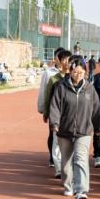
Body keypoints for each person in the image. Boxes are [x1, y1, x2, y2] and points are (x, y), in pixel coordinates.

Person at [49, 56, 100, 199]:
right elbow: (55, 107)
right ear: (70, 72)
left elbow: (96, 109)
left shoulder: (90, 88)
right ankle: (68, 185)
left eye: (81, 72)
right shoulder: (61, 87)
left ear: (85, 72)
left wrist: (98, 127)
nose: (78, 75)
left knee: (80, 158)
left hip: (84, 130)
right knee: (66, 162)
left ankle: (81, 191)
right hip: (64, 130)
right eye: (75, 72)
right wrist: (55, 123)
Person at [37, 47, 66, 176]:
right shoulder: (49, 73)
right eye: (60, 57)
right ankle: (53, 158)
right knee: (53, 134)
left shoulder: (71, 74)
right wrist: (43, 109)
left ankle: (63, 160)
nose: (62, 61)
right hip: (54, 110)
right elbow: (44, 91)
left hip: (67, 112)